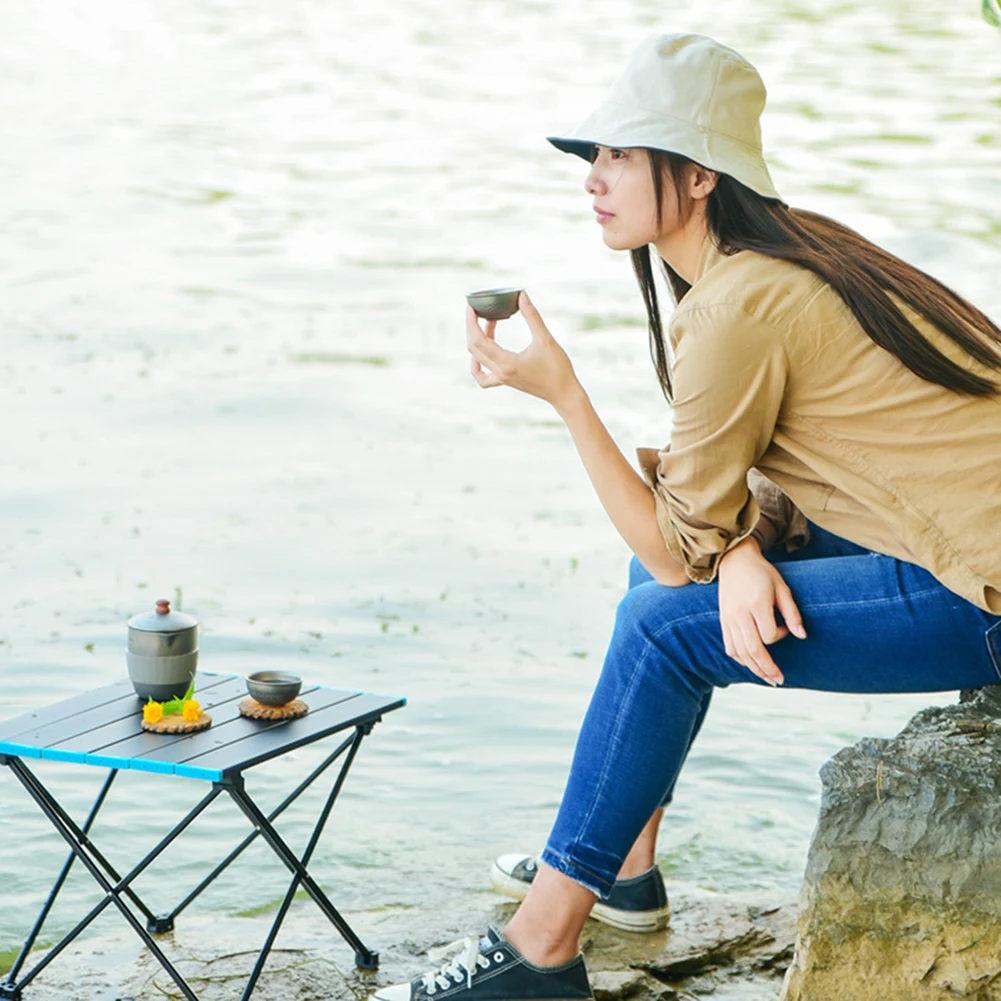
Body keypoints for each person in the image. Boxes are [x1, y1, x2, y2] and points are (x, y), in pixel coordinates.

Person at [374, 32, 1001, 1001]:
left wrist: (565, 395)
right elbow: (812, 472)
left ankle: (540, 944)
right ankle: (622, 868)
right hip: (947, 542)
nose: (594, 176)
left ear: (700, 176)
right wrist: (740, 546)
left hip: (983, 590)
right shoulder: (783, 260)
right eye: (595, 155)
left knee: (658, 625)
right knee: (659, 592)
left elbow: (676, 554)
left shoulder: (737, 303)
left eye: (622, 152)